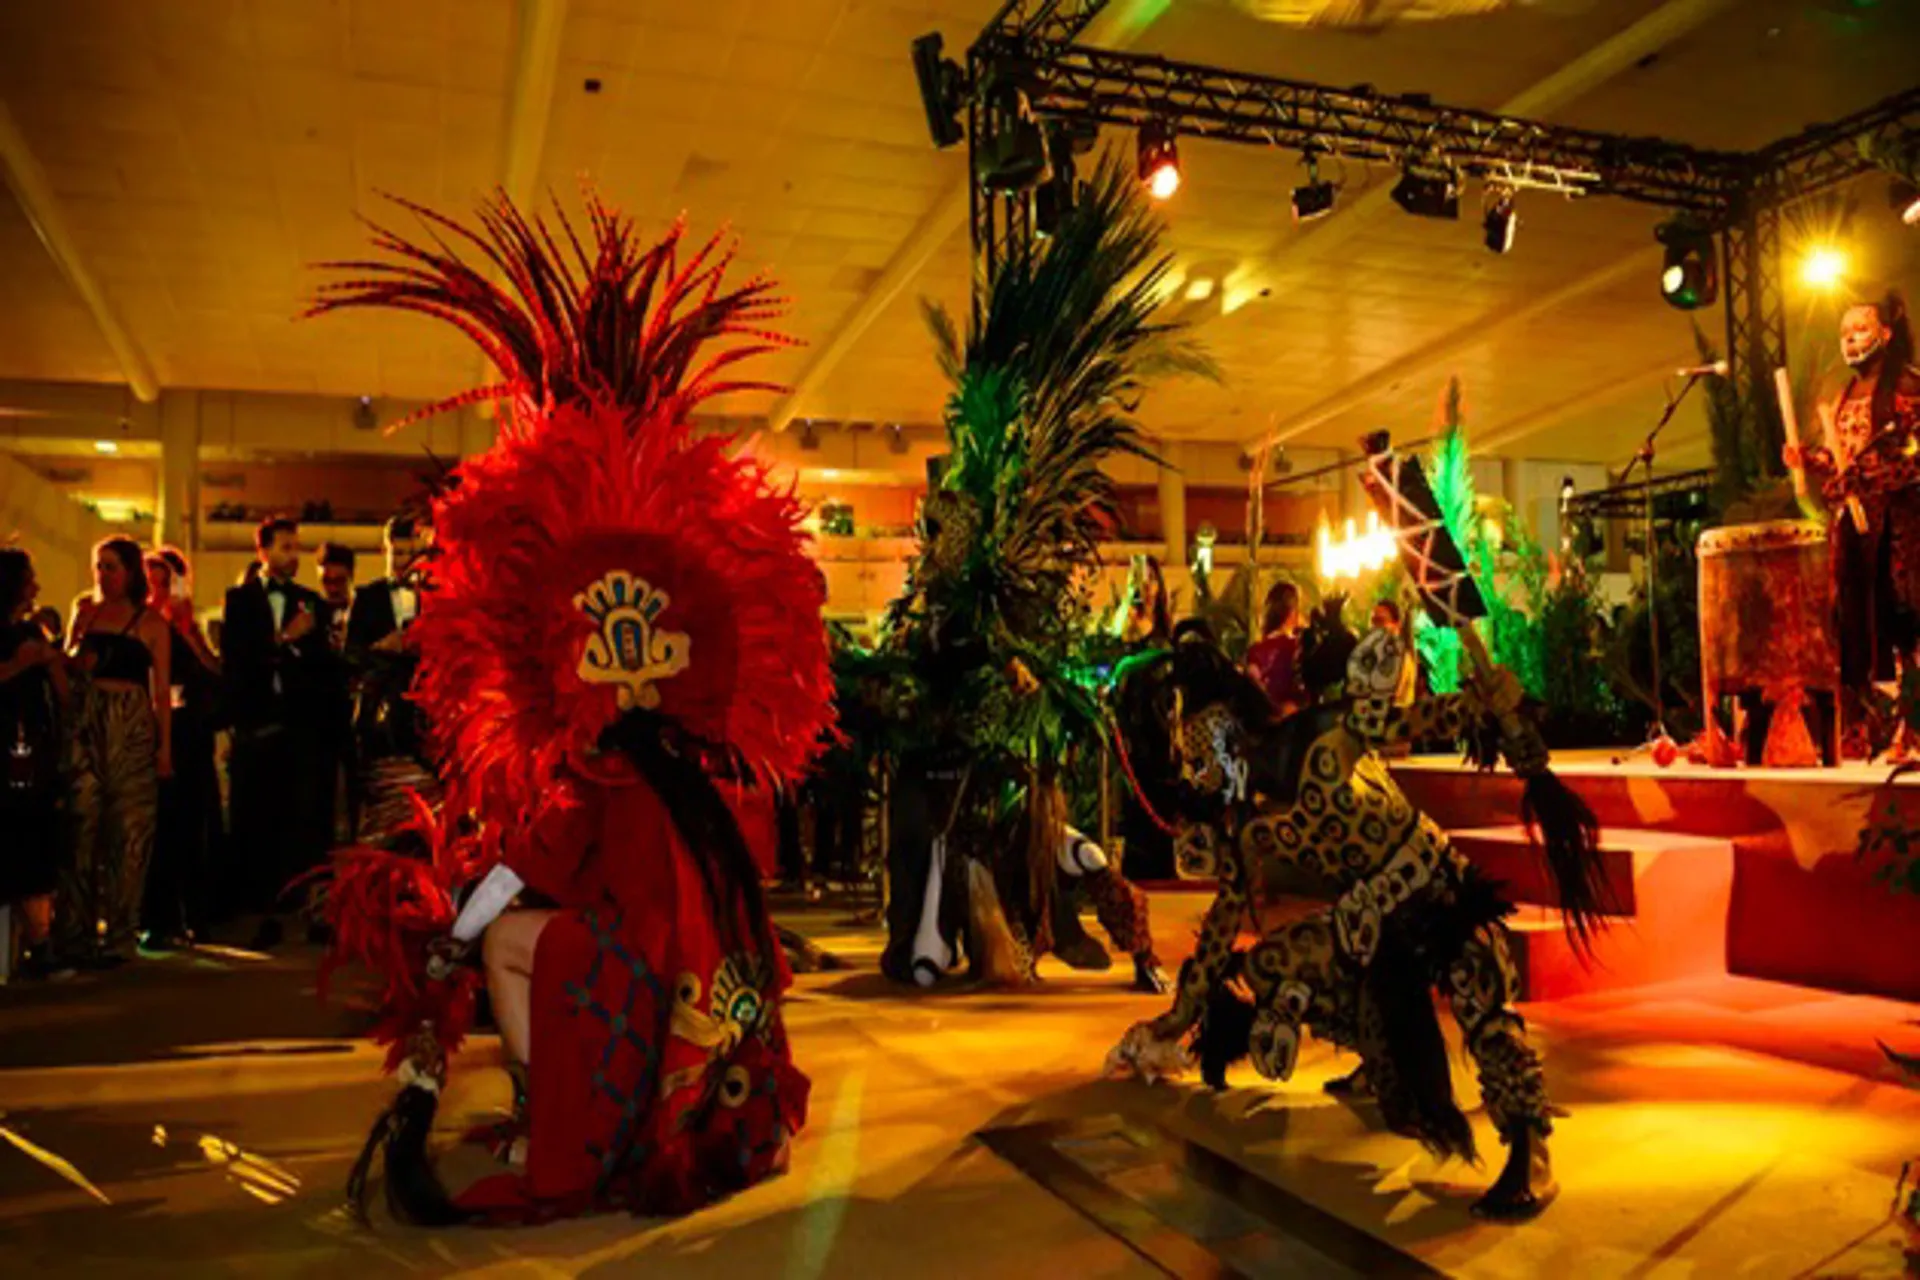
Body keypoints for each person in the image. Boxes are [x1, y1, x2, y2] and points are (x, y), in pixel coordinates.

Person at [307, 192, 833, 1224]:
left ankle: (541, 1110)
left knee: (509, 943)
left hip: (643, 974)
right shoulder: (710, 767)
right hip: (723, 990)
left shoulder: (593, 767)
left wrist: (452, 939)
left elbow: (517, 873)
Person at [1107, 628, 1604, 1222]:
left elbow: (1420, 718)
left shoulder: (1326, 736)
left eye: (1196, 750)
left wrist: (1487, 704)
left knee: (1478, 993)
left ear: (1225, 727)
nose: (1193, 771)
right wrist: (1176, 1018)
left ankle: (1528, 1140)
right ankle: (1375, 1046)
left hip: (1435, 891)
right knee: (1270, 966)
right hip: (1368, 924)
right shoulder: (1245, 823)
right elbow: (1222, 924)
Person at [1784, 290, 1920, 757]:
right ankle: (1864, 725)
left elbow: (1912, 458)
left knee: (1903, 617)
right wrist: (1808, 459)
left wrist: (1869, 478)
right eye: (1844, 332)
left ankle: (1912, 724)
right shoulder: (1842, 396)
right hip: (1854, 525)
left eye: (1861, 329)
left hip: (1899, 522)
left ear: (1886, 333)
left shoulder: (1909, 386)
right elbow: (1840, 459)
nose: (1851, 339)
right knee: (1854, 623)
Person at [221, 517, 336, 949]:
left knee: (303, 821)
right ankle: (264, 914)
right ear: (263, 551)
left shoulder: (311, 602)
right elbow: (238, 660)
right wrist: (285, 639)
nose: (293, 555)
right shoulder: (240, 601)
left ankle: (309, 911)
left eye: (296, 547)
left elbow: (320, 666)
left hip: (301, 725)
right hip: (257, 725)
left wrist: (293, 650)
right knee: (259, 822)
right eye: (285, 546)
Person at [63, 537, 170, 964]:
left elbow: (161, 693)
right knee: (82, 826)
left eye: (112, 567)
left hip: (131, 724)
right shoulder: (85, 611)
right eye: (98, 566)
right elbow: (67, 666)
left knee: (130, 831)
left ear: (130, 572)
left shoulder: (150, 622)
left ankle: (122, 930)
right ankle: (76, 931)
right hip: (88, 721)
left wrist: (164, 748)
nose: (103, 576)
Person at [140, 548, 222, 951]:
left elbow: (215, 671)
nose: (158, 592)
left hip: (191, 735)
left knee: (191, 827)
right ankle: (158, 917)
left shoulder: (187, 626)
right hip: (148, 732)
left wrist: (188, 631)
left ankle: (196, 914)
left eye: (165, 583)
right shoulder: (138, 624)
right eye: (151, 583)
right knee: (157, 830)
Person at [1, 548, 70, 978]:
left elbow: (63, 692)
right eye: (28, 580)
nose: (35, 588)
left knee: (35, 841)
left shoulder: (31, 632)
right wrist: (18, 664)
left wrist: (53, 662)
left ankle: (41, 945)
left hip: (33, 752)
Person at [345, 516, 430, 837]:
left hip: (425, 718)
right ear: (385, 551)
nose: (403, 561)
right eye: (398, 553)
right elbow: (350, 655)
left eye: (410, 553)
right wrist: (382, 647)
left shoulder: (434, 597)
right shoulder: (367, 597)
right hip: (380, 718)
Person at [1244, 580, 1308, 717]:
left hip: (1264, 721)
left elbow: (1251, 690)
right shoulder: (1298, 646)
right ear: (1293, 612)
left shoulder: (1255, 651)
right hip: (1295, 720)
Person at [318, 542, 356, 654]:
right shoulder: (312, 616)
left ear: (351, 576)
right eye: (326, 581)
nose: (332, 588)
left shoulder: (367, 614)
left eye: (339, 581)